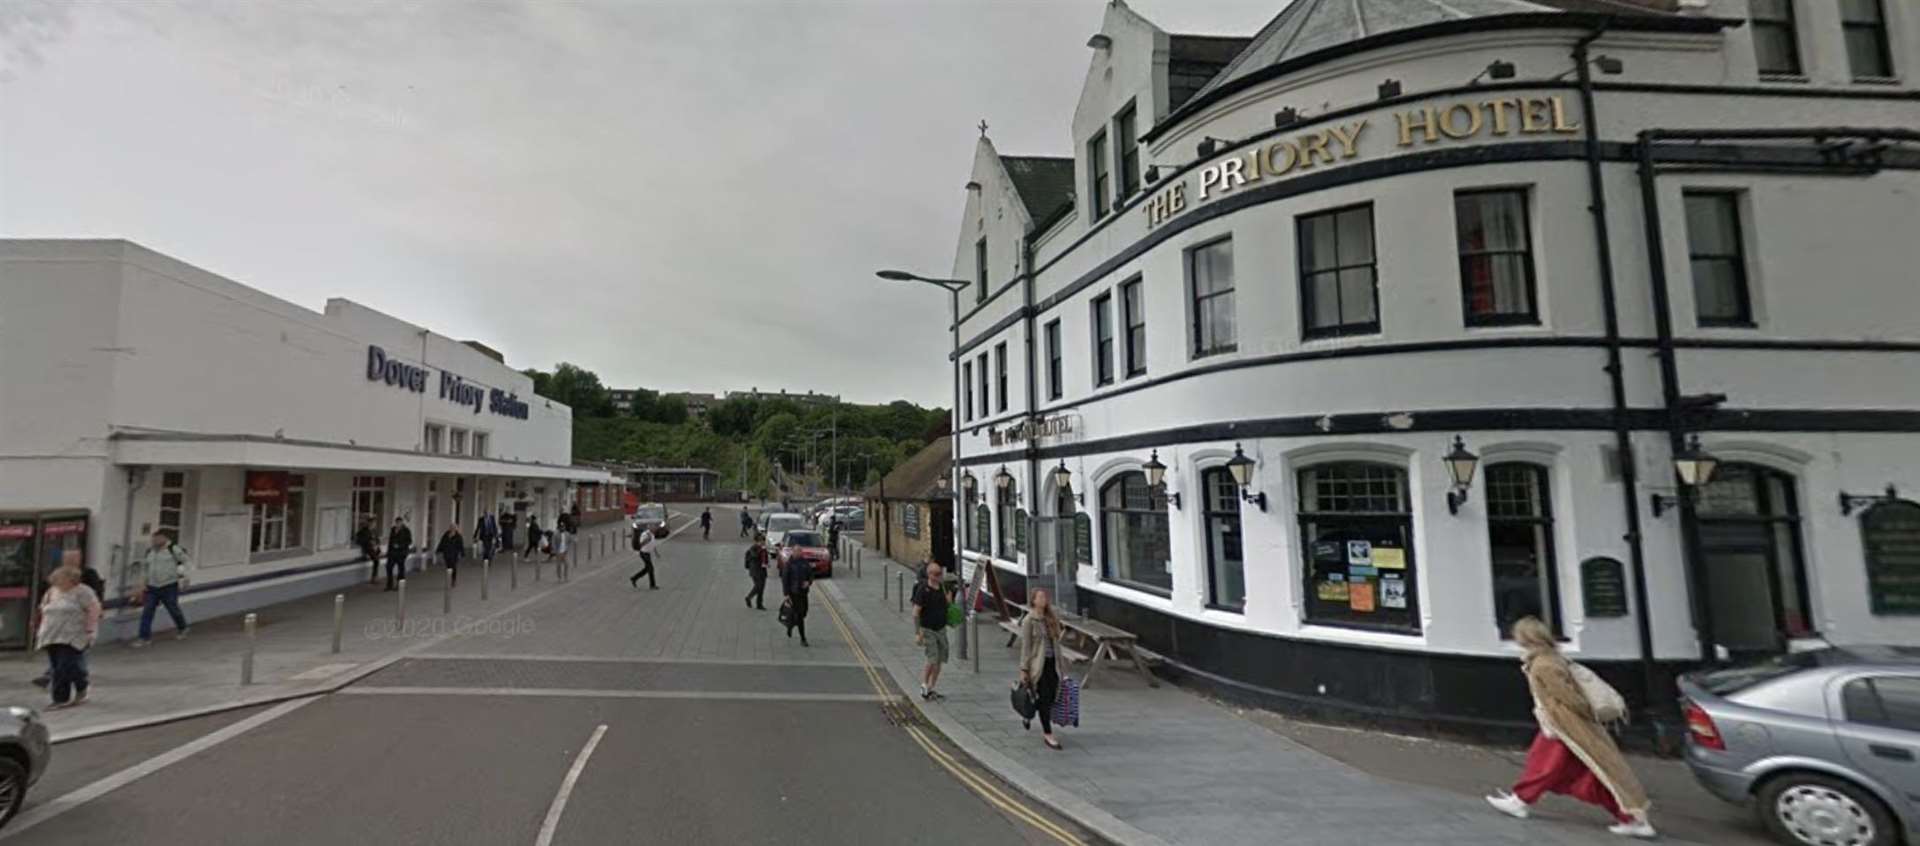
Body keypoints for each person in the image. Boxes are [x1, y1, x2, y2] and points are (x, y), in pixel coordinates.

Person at [1486, 617, 1656, 839]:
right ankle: (1630, 817)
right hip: (1561, 724)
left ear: (1526, 638)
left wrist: (1584, 715)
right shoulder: (1549, 658)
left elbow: (1569, 697)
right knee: (1585, 770)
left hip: (1565, 726)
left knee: (1553, 766)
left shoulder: (1544, 664)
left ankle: (1632, 818)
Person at [36, 564, 99, 710]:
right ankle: (81, 685)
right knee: (59, 666)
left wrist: (90, 630)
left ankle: (60, 699)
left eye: (60, 578)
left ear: (70, 579)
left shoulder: (83, 592)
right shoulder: (52, 592)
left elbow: (93, 610)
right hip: (51, 634)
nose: (56, 581)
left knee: (63, 667)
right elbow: (43, 609)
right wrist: (39, 628)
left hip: (73, 635)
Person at [1017, 589, 1067, 750]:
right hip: (1038, 666)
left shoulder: (1051, 618)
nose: (1044, 599)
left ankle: (1028, 713)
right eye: (1040, 597)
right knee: (1044, 699)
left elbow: (1057, 641)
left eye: (1045, 597)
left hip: (1053, 664)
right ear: (1033, 601)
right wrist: (1024, 669)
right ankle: (1048, 734)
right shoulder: (1028, 621)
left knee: (1051, 697)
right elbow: (1026, 647)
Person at [131, 530, 191, 647]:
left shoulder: (173, 549)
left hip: (169, 585)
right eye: (152, 539)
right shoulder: (150, 552)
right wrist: (142, 584)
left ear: (163, 538)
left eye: (156, 539)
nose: (153, 541)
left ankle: (182, 627)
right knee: (147, 611)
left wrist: (185, 578)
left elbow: (186, 562)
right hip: (152, 586)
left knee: (172, 608)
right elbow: (145, 569)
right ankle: (144, 637)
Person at [911, 561, 949, 700]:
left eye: (941, 573)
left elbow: (945, 605)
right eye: (937, 574)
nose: (940, 576)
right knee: (932, 658)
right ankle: (924, 684)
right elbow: (915, 612)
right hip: (928, 629)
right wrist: (917, 632)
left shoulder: (941, 587)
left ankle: (931, 688)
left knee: (940, 659)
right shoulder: (923, 590)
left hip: (941, 629)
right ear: (930, 575)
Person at [780, 540, 812, 646]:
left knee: (804, 613)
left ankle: (790, 625)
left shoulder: (804, 562)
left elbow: (810, 574)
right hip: (794, 593)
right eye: (797, 551)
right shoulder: (789, 564)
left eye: (800, 551)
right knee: (799, 615)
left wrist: (808, 582)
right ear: (793, 552)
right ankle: (803, 639)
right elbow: (785, 579)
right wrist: (786, 594)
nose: (799, 553)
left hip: (803, 593)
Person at [384, 516, 412, 592]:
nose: (398, 524)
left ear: (402, 523)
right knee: (389, 567)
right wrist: (388, 551)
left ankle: (400, 585)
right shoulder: (393, 530)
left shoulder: (406, 531)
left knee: (401, 569)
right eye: (397, 523)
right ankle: (389, 585)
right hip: (392, 553)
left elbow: (409, 541)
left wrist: (400, 545)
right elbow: (390, 541)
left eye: (399, 523)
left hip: (401, 553)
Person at [743, 533, 771, 610]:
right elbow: (754, 556)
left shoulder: (763, 549)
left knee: (761, 587)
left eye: (763, 541)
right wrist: (761, 550)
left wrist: (766, 564)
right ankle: (749, 597)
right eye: (761, 541)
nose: (762, 542)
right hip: (755, 571)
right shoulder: (753, 548)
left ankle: (759, 604)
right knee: (758, 586)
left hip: (762, 570)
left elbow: (765, 559)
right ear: (756, 541)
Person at [629, 519, 658, 589]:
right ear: (649, 527)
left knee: (647, 569)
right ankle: (652, 585)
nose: (655, 528)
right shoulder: (645, 534)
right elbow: (641, 544)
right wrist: (647, 540)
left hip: (648, 553)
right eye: (653, 527)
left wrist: (656, 553)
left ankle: (634, 578)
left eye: (655, 527)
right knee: (651, 569)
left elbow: (653, 544)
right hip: (643, 553)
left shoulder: (652, 534)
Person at [356, 517, 380, 584]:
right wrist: (369, 541)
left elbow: (377, 540)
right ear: (369, 523)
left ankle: (375, 577)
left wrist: (377, 544)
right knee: (376, 561)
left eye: (374, 523)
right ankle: (374, 578)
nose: (373, 525)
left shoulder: (374, 531)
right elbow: (359, 539)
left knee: (377, 560)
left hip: (375, 548)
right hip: (368, 548)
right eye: (372, 523)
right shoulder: (364, 531)